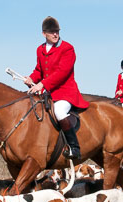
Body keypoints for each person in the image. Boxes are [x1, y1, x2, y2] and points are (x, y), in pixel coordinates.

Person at [25, 16, 89, 159]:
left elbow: (62, 72)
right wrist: (31, 78)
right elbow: (39, 70)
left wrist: (42, 84)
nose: (55, 34)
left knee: (59, 111)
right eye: (52, 32)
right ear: (44, 33)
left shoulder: (67, 48)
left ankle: (74, 147)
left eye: (57, 32)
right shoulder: (40, 49)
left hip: (66, 92)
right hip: (49, 92)